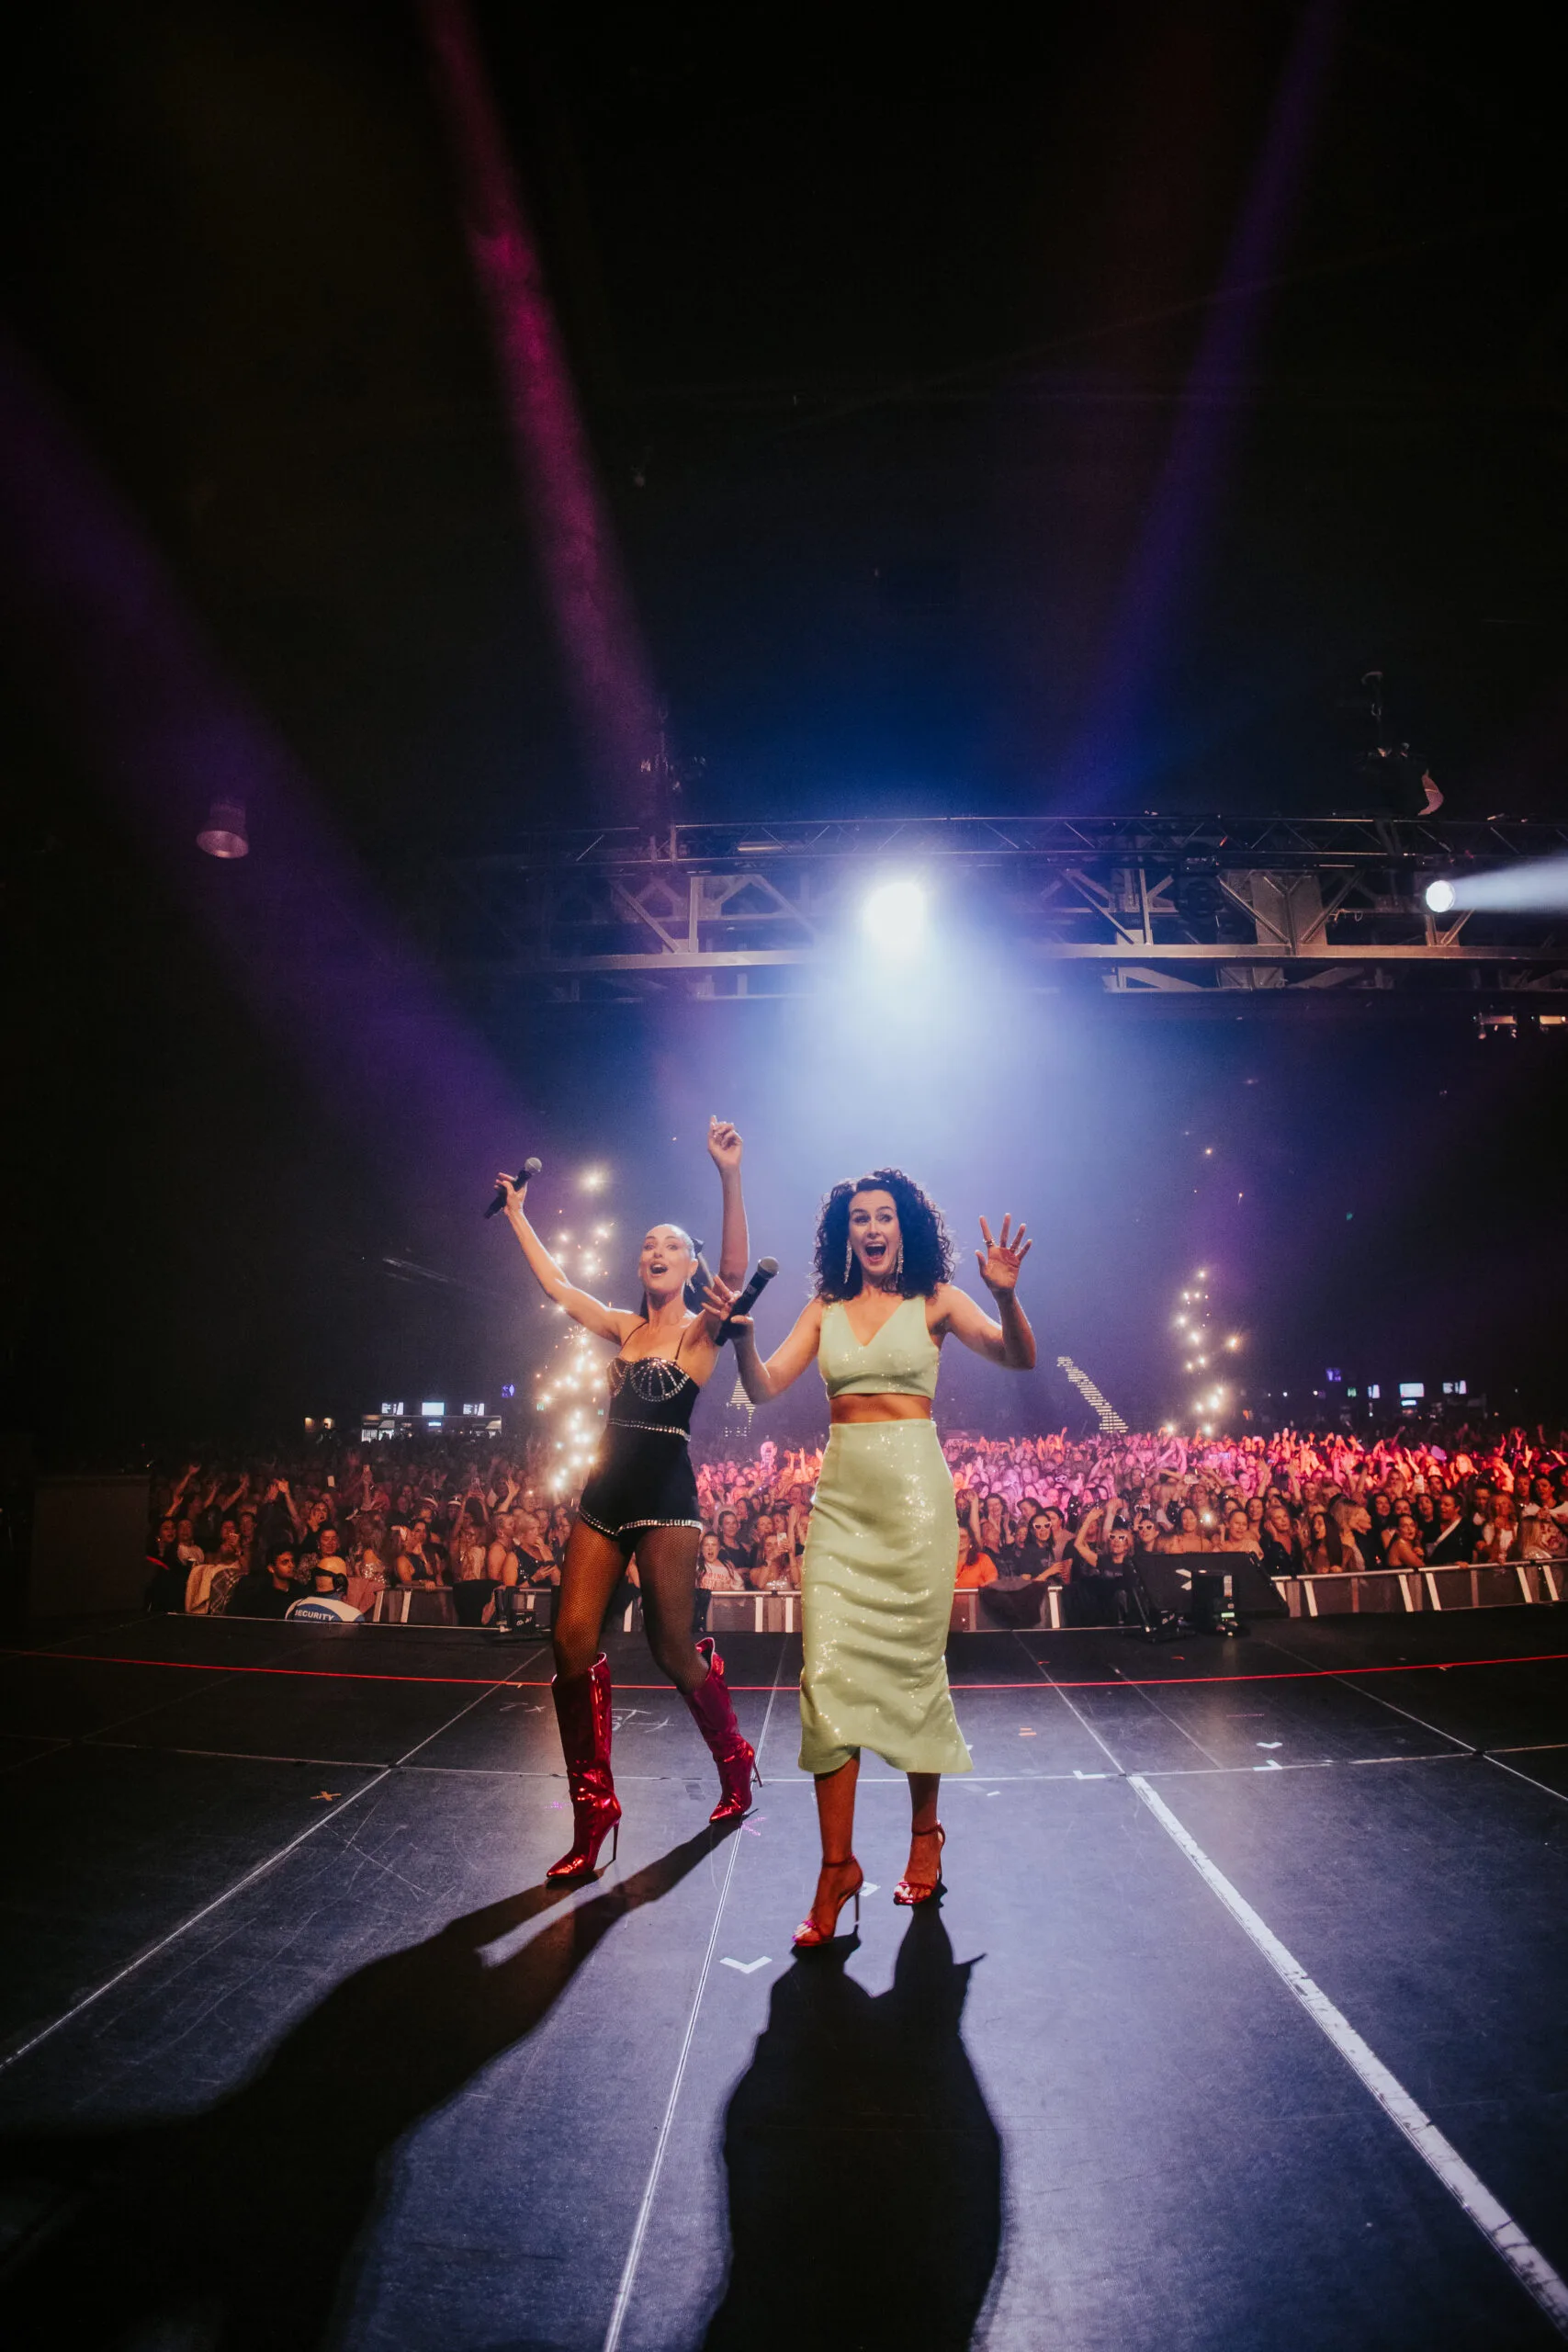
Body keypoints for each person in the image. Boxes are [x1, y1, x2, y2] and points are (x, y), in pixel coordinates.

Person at [721, 1170, 1034, 1950]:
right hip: (841, 1511)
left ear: (905, 1229)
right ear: (844, 1233)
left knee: (910, 1672)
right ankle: (836, 1869)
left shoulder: (938, 1301)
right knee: (824, 1678)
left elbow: (1019, 1359)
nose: (871, 1227)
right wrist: (746, 1342)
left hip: (916, 1510)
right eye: (858, 1218)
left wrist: (1003, 1295)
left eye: (883, 1216)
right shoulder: (821, 1311)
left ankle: (924, 1834)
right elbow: (762, 1390)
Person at [493, 1116, 759, 1879]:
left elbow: (736, 1269)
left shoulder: (704, 1332)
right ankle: (593, 1809)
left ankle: (735, 1760)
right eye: (647, 1244)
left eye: (671, 1244)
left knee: (672, 1651)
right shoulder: (622, 1328)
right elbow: (555, 1286)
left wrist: (729, 1174)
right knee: (570, 1642)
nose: (654, 1252)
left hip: (667, 1502)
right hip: (604, 1496)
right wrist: (517, 1212)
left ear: (691, 1264)